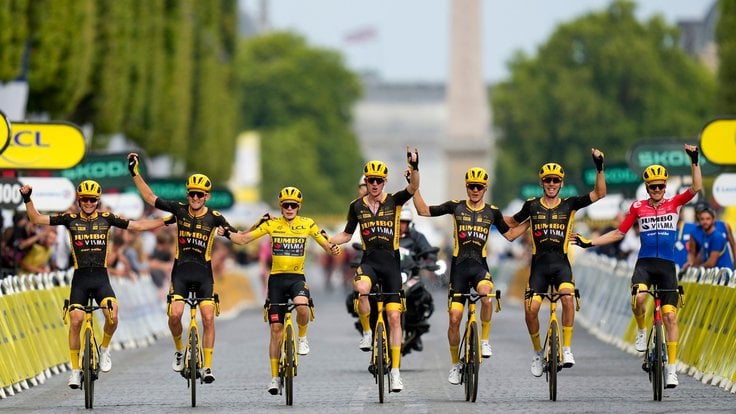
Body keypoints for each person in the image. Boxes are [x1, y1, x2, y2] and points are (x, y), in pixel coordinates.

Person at [19, 180, 171, 388]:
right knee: (75, 321)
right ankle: (74, 370)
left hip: (101, 278)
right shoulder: (69, 219)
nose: (89, 203)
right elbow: (36, 218)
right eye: (85, 200)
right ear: (79, 201)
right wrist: (27, 198)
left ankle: (105, 350)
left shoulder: (106, 219)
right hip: (80, 279)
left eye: (93, 200)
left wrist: (166, 220)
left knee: (113, 315)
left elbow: (137, 226)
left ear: (98, 201)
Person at [573, 144, 701, 389]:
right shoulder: (637, 208)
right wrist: (590, 242)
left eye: (660, 186)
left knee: (670, 317)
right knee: (639, 297)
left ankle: (672, 370)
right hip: (644, 264)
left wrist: (694, 161)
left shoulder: (674, 203)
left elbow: (696, 188)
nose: (656, 190)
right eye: (652, 187)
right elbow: (619, 233)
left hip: (666, 267)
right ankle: (642, 331)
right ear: (647, 188)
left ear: (665, 186)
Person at [412, 167, 529, 384]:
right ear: (467, 187)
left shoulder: (492, 212)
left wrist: (530, 221)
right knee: (455, 319)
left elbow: (511, 234)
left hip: (479, 267)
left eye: (479, 187)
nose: (475, 190)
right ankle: (456, 365)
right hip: (458, 270)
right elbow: (423, 211)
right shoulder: (455, 206)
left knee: (486, 296)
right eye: (471, 186)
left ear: (485, 189)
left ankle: (484, 340)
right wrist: (414, 187)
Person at [220, 186, 341, 394]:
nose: (290, 208)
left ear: (299, 207)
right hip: (276, 280)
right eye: (286, 205)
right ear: (281, 206)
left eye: (293, 205)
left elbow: (325, 243)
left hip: (296, 278)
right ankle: (275, 377)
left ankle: (302, 338)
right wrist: (227, 233)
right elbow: (244, 239)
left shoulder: (307, 224)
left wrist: (333, 248)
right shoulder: (272, 224)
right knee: (275, 331)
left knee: (302, 307)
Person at [127, 153, 235, 384]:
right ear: (188, 194)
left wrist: (249, 229)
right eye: (192, 193)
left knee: (208, 318)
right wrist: (135, 173)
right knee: (175, 315)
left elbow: (240, 238)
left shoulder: (216, 218)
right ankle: (178, 350)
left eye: (200, 194)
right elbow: (149, 197)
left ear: (207, 196)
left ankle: (207, 366)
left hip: (204, 274)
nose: (196, 198)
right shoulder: (179, 210)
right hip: (181, 273)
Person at [506, 148, 606, 378]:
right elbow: (511, 222)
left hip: (561, 265)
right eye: (548, 180)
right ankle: (537, 352)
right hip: (538, 268)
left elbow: (599, 193)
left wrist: (599, 167)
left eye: (556, 180)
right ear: (542, 183)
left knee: (568, 298)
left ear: (561, 183)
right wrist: (485, 213)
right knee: (530, 310)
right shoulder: (531, 205)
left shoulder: (570, 204)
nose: (551, 183)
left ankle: (568, 348)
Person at [329, 147, 420, 392]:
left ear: (384, 182)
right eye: (371, 180)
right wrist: (328, 240)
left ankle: (396, 373)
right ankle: (368, 333)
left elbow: (412, 189)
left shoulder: (394, 201)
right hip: (369, 261)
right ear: (366, 181)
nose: (375, 184)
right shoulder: (356, 206)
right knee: (361, 288)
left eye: (379, 181)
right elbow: (347, 234)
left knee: (393, 317)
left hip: (391, 263)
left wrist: (415, 167)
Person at [686, 203, 735, 270]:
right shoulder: (700, 233)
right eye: (702, 218)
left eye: (708, 218)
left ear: (713, 218)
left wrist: (697, 268)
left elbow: (733, 245)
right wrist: (690, 264)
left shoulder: (721, 229)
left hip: (722, 271)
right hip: (710, 270)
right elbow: (696, 253)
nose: (705, 221)